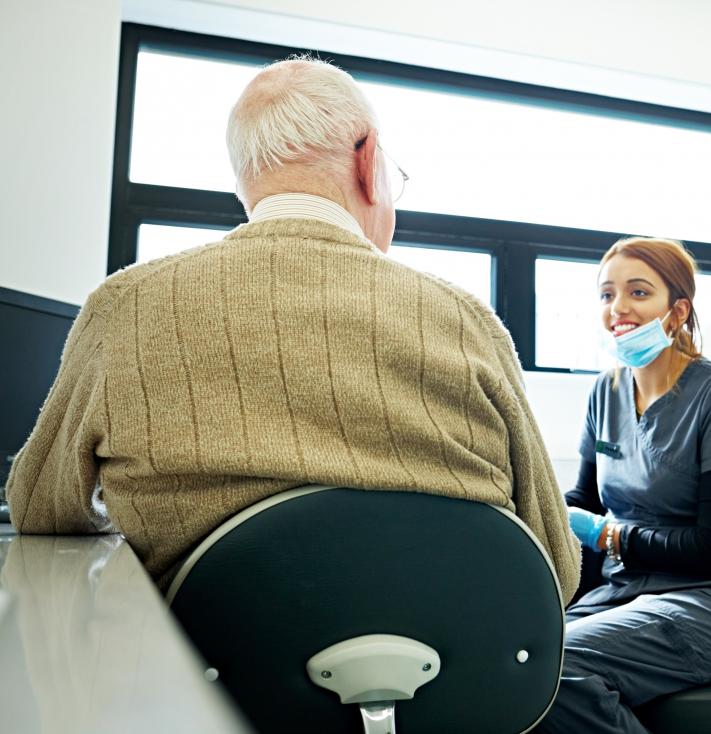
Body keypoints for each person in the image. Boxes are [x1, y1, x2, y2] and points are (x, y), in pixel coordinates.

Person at [4, 57, 580, 602]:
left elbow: (39, 509)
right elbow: (557, 563)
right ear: (367, 159)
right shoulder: (467, 322)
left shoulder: (124, 308)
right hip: (455, 692)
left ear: (244, 182)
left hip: (200, 693)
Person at [536, 237, 711, 733]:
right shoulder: (604, 393)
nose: (618, 308)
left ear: (677, 311)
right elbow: (582, 502)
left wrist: (611, 537)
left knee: (553, 671)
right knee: (507, 659)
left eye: (638, 292)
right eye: (607, 295)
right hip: (625, 593)